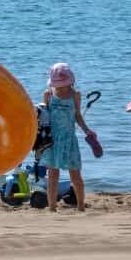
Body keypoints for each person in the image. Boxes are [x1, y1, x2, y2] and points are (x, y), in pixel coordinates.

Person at [40, 63, 95, 212]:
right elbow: (44, 116)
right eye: (58, 84)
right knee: (53, 175)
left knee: (75, 174)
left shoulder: (75, 95)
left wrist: (87, 130)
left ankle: (81, 206)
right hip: (52, 140)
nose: (61, 87)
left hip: (70, 139)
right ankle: (52, 207)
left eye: (63, 84)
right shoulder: (49, 94)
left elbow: (77, 116)